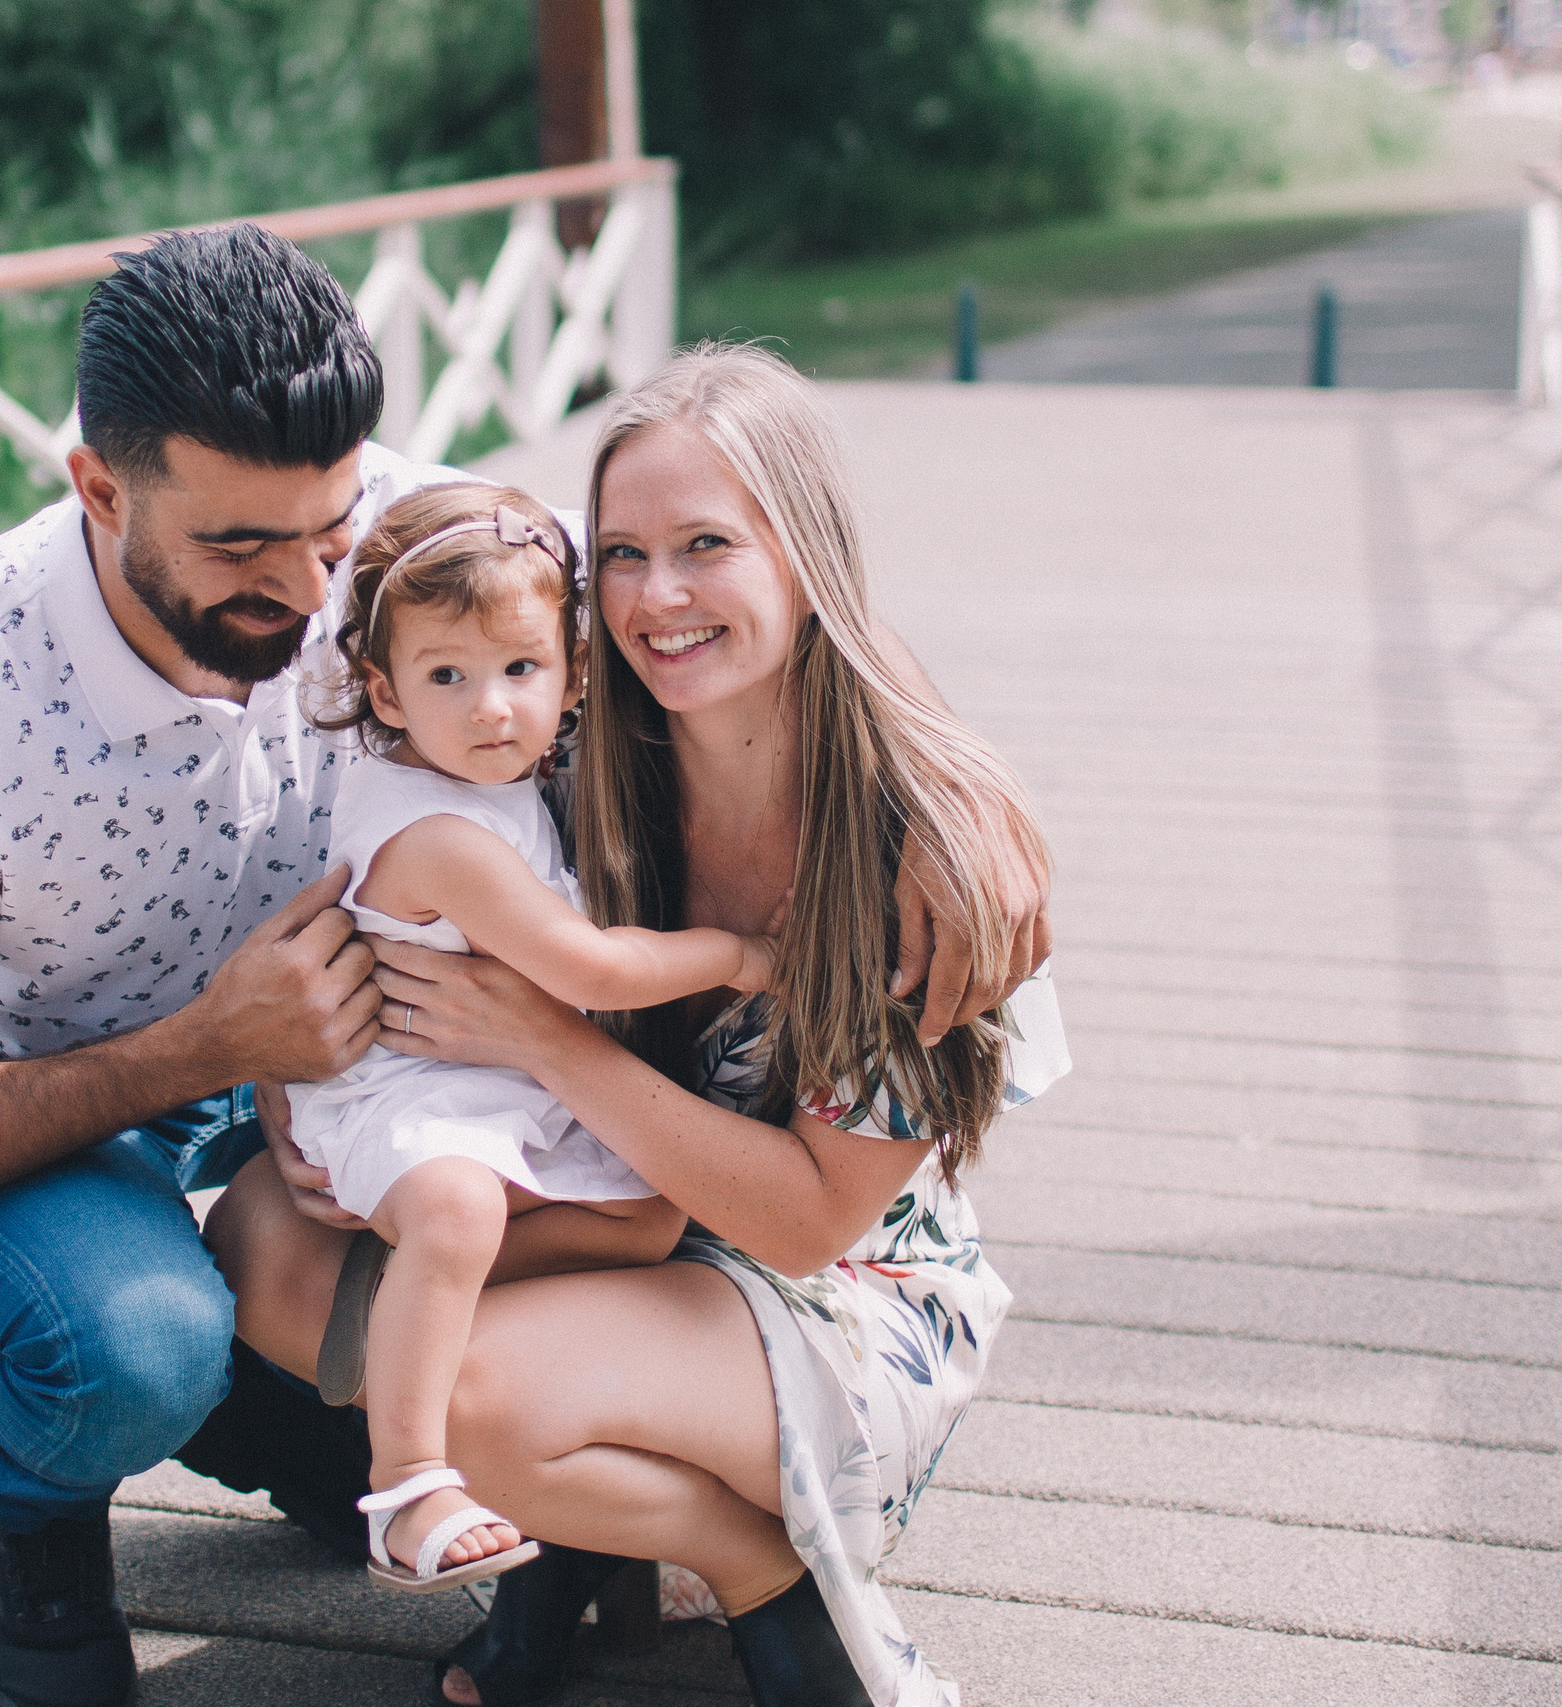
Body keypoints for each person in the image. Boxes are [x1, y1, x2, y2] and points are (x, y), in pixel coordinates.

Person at [0, 216, 1042, 1707]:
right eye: (242, 548)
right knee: (175, 1318)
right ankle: (57, 1499)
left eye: (331, 529)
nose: (315, 584)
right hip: (108, 1081)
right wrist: (218, 1053)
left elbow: (725, 603)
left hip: (647, 1178)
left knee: (423, 1359)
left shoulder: (423, 562)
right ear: (99, 487)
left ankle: (633, 1540)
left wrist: (975, 805)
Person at [211, 343, 1069, 1707]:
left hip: (836, 1292)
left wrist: (548, 1040)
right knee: (262, 1235)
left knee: (461, 1394)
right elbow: (421, 622)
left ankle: (766, 1580)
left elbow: (803, 1219)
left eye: (707, 545)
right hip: (618, 1198)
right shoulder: (585, 731)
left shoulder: (910, 860)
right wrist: (301, 1077)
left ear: (804, 555)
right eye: (620, 553)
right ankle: (577, 1548)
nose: (657, 596)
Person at [290, 482, 766, 1594]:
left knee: (652, 1213)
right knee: (453, 1208)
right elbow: (587, 968)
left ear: (572, 671)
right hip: (408, 1093)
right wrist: (738, 954)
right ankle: (407, 1486)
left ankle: (420, 1298)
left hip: (493, 1079)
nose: (490, 707)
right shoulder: (440, 832)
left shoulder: (484, 774)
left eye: (519, 670)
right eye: (445, 677)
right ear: (385, 692)